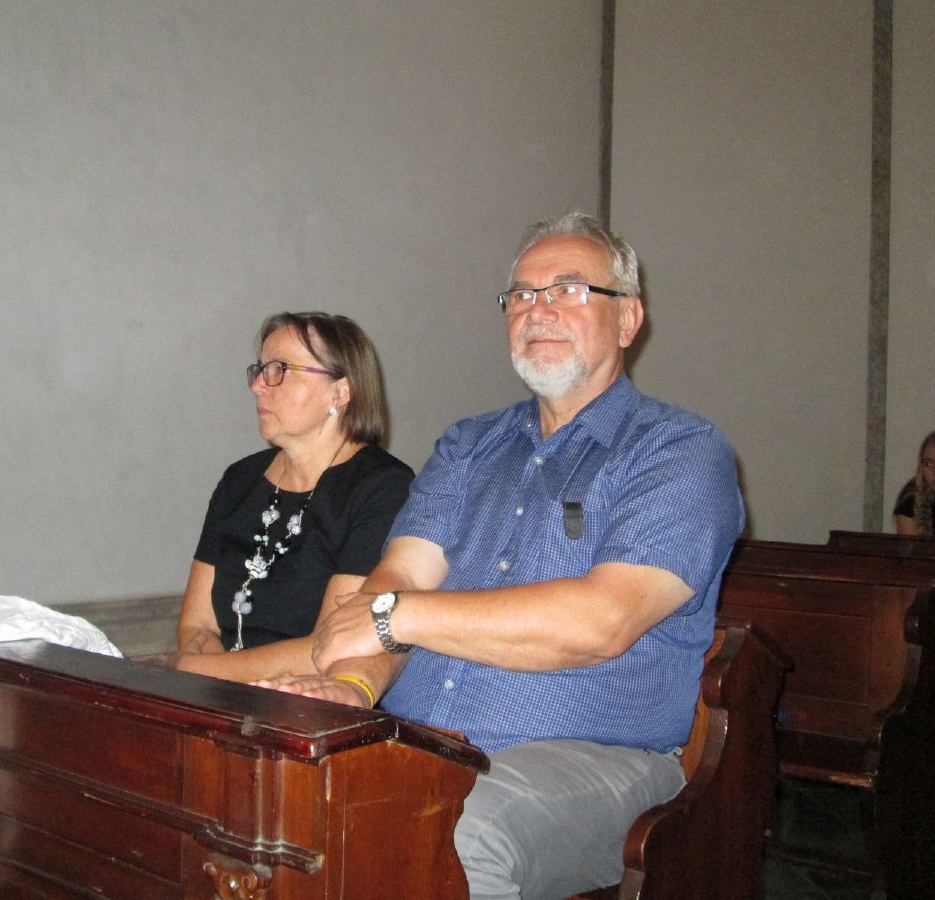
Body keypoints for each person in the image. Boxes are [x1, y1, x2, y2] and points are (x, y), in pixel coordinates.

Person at [257, 212, 745, 899]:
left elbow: (600, 622)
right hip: (421, 739)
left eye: (568, 289)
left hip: (596, 759)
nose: (538, 309)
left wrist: (397, 615)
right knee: (263, 799)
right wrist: (355, 688)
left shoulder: (680, 452)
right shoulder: (468, 445)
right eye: (521, 295)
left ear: (628, 319)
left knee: (455, 836)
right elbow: (398, 579)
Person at [175, 311, 413, 682]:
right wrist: (216, 684)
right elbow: (197, 627)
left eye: (279, 369)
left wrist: (196, 671)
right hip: (220, 696)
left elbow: (329, 648)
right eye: (260, 370)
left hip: (310, 705)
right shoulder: (239, 480)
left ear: (340, 392)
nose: (258, 385)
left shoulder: (383, 488)